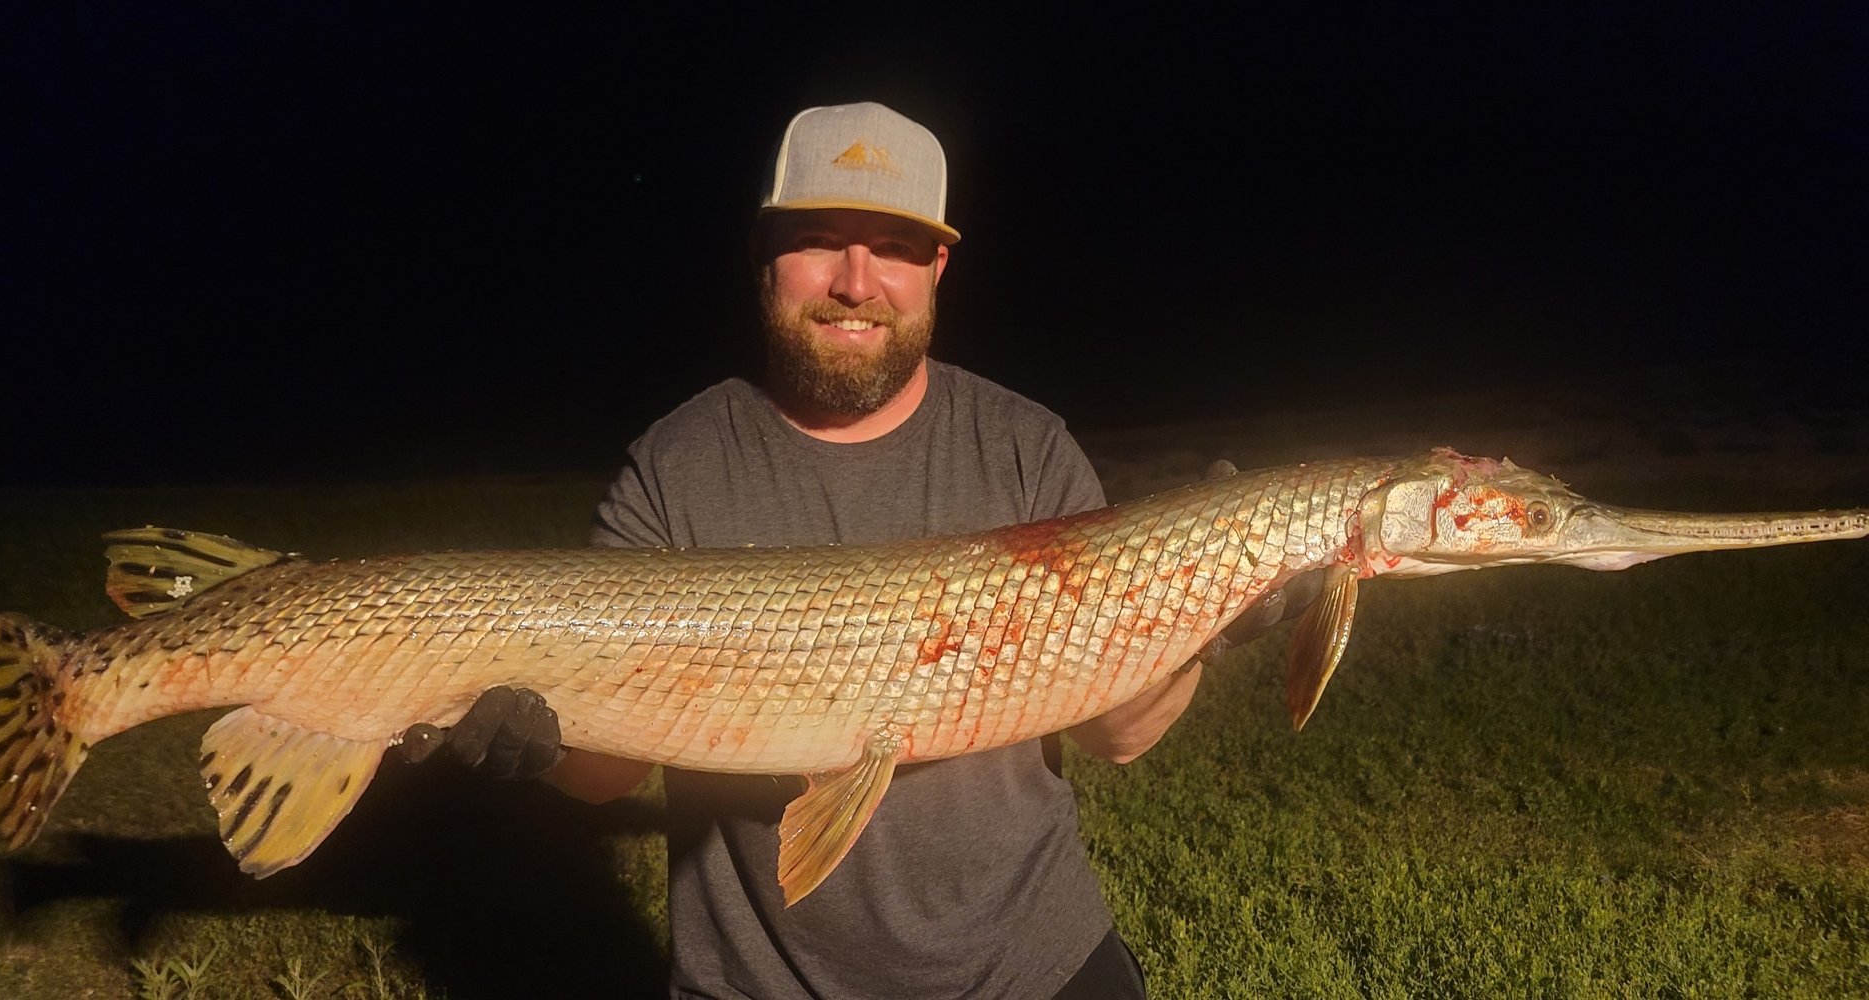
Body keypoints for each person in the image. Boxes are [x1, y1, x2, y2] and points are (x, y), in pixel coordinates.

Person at [403, 102, 1305, 999]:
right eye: (820, 239)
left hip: (1030, 962)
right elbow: (611, 773)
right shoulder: (677, 466)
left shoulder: (1025, 446)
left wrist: (1205, 623)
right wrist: (542, 745)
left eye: (897, 248)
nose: (857, 281)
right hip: (763, 981)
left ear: (938, 267)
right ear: (766, 255)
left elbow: (1116, 733)